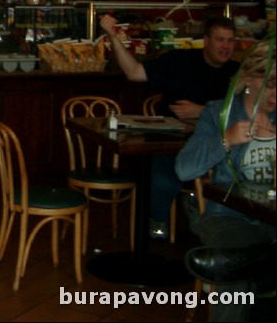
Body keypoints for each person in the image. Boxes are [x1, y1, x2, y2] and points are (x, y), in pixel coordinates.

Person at [101, 14, 239, 239]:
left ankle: (215, 225)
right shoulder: (179, 61)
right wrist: (113, 37)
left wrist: (202, 111)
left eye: (230, 41)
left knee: (228, 179)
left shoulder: (238, 73)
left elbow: (248, 111)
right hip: (171, 145)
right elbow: (134, 72)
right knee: (163, 178)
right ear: (206, 40)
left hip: (218, 147)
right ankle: (159, 219)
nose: (226, 46)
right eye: (220, 40)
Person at [175, 39, 275, 322]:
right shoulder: (219, 113)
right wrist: (226, 139)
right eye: (269, 84)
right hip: (229, 215)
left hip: (271, 219)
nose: (275, 95)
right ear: (246, 80)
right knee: (237, 272)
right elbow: (184, 169)